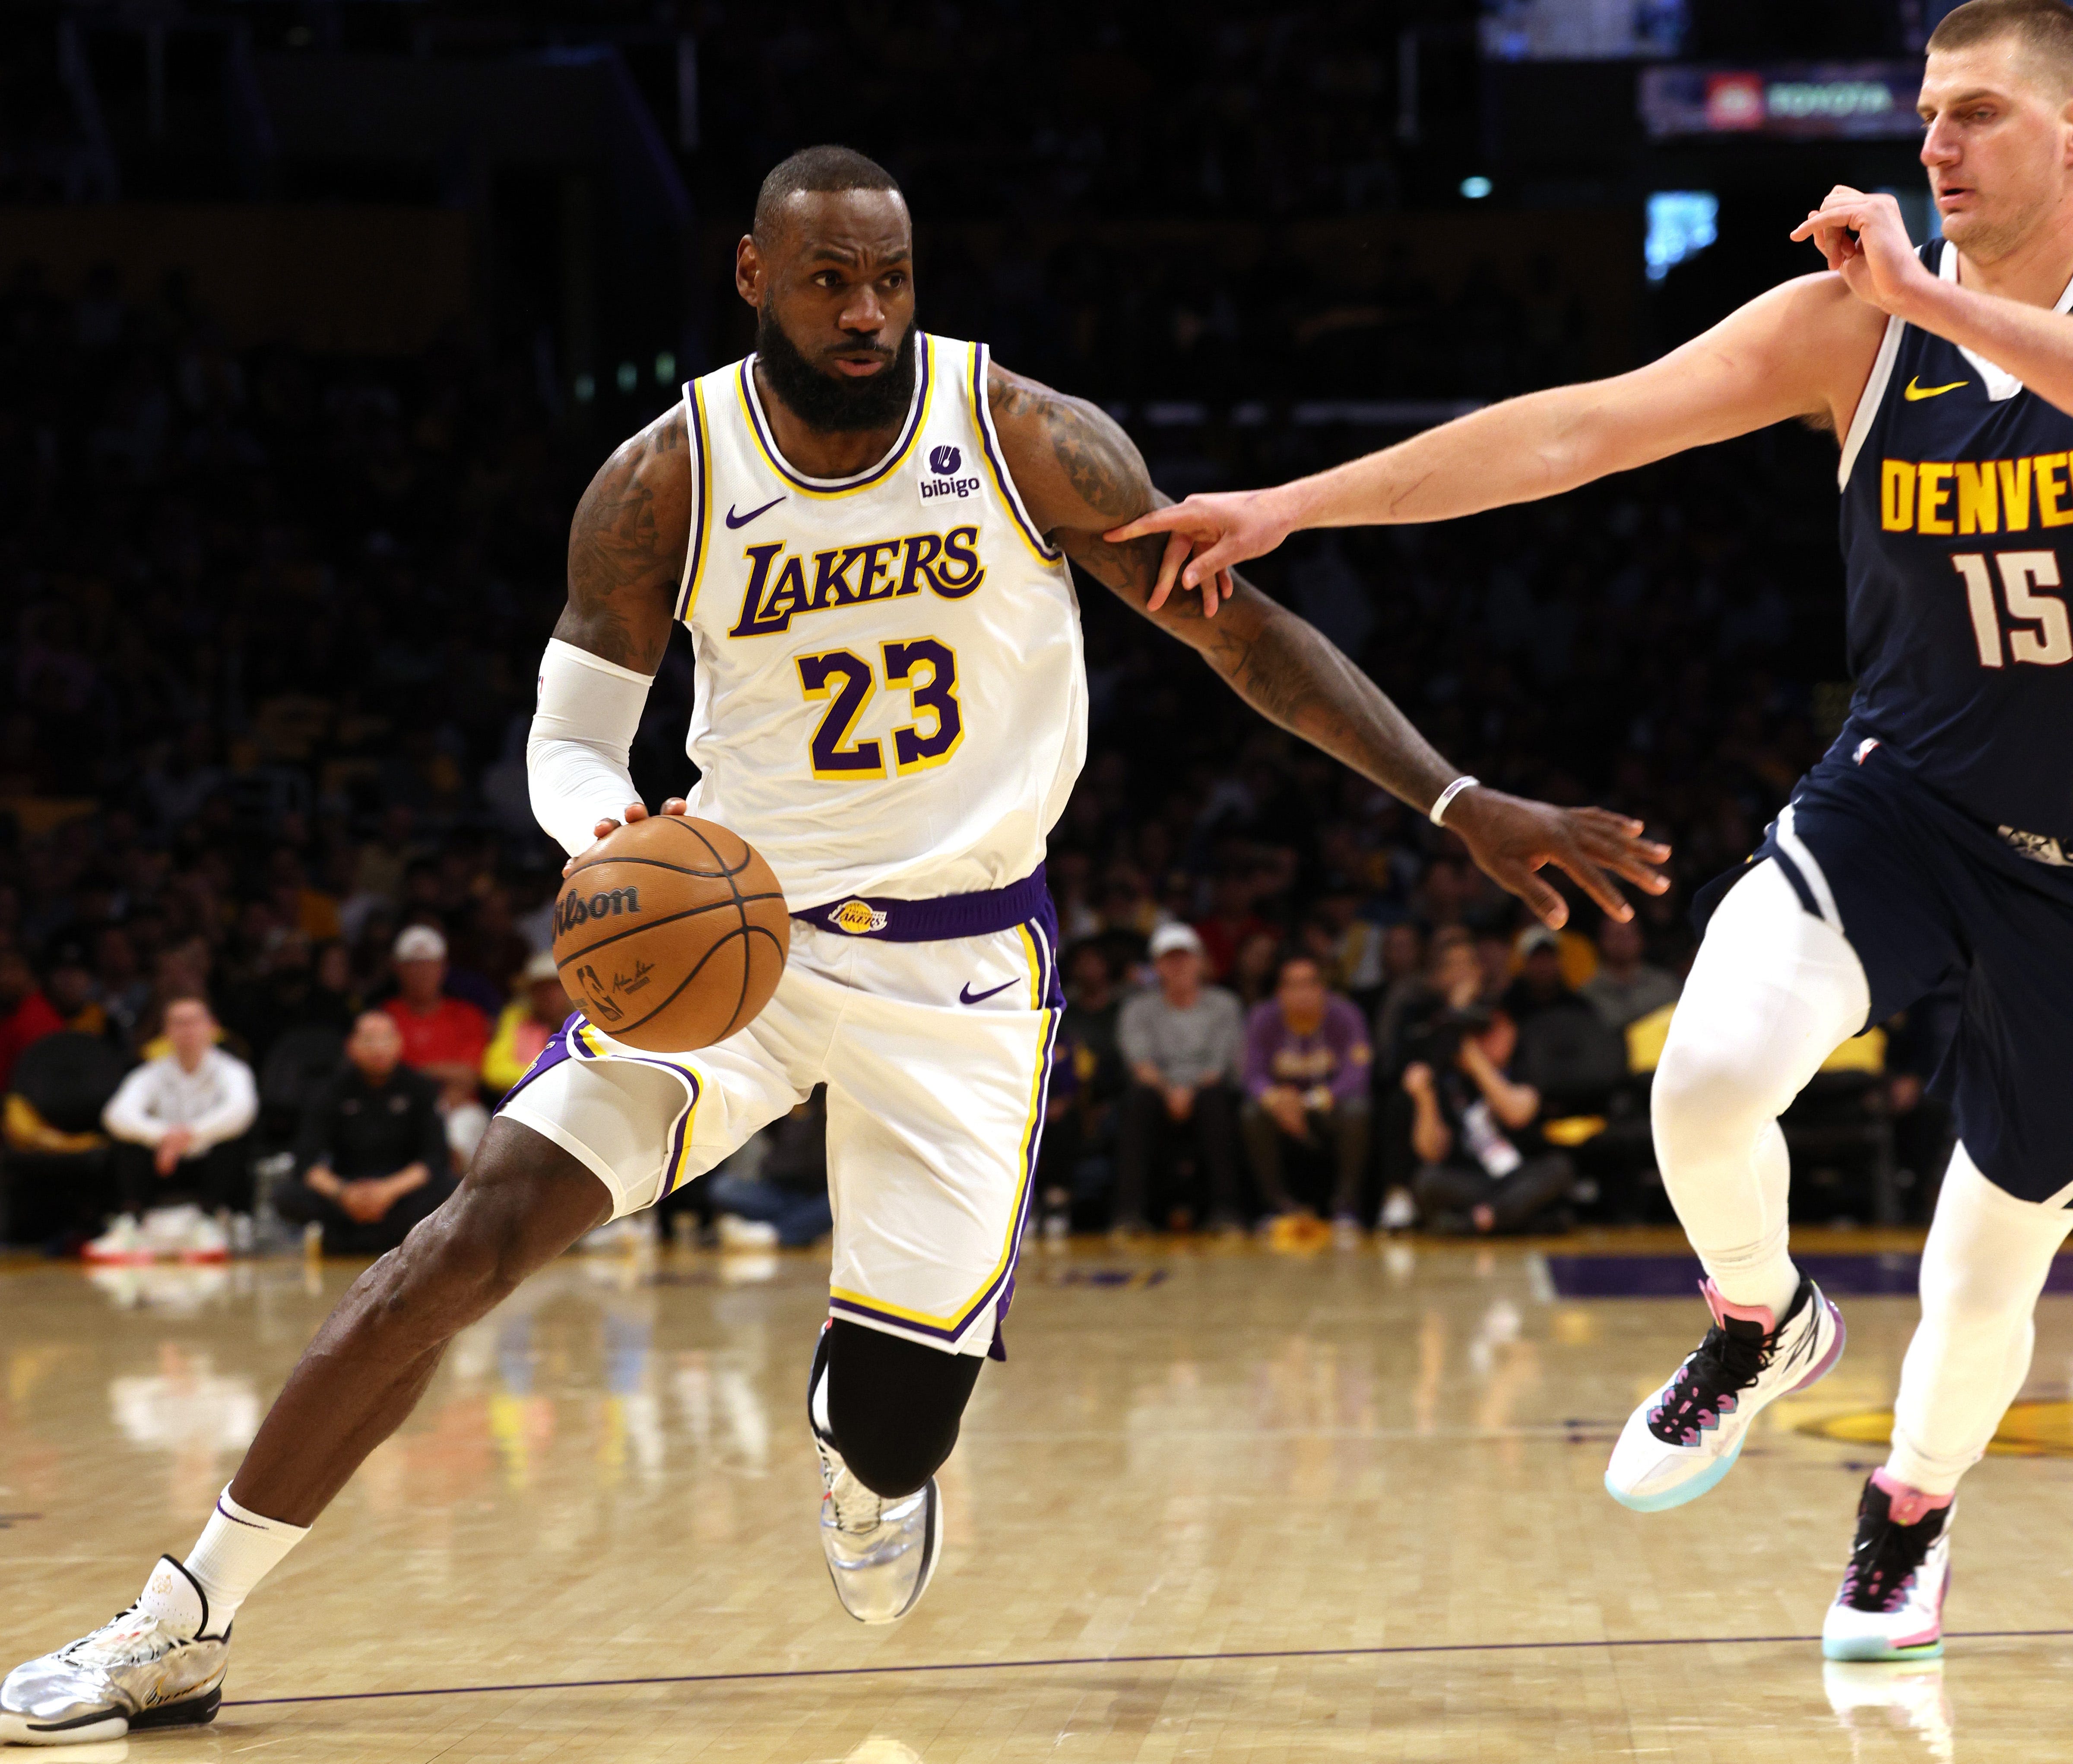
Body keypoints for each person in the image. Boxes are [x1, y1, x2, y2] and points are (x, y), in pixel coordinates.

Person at [0, 145, 1666, 1745]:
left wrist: (1455, 798)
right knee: (460, 1244)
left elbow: (1248, 645)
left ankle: (866, 1450)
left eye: (889, 279)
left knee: (889, 1426)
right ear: (753, 276)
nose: (865, 311)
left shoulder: (1022, 434)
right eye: (826, 280)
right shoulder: (667, 472)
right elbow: (570, 730)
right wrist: (606, 830)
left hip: (959, 981)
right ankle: (185, 1618)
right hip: (734, 953)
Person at [1112, 0, 2073, 1659]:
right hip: (1904, 796)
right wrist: (1294, 502)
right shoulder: (1854, 334)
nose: (1931, 147)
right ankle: (1762, 1318)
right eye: (1927, 112)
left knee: (1989, 1268)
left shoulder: (1913, 299)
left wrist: (1928, 293)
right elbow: (1581, 426)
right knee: (1701, 1077)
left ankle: (1905, 1517)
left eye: (1976, 115)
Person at [271, 1011, 455, 1257]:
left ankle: (404, 1237)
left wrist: (387, 1192)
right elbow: (306, 1160)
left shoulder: (419, 1087)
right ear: (351, 1046)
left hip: (400, 1192)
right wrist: (344, 1193)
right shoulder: (330, 1090)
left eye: (386, 1039)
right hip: (347, 1189)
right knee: (287, 1195)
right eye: (369, 1040)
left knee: (450, 1188)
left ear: (399, 1043)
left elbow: (434, 1157)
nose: (378, 1049)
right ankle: (345, 1236)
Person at [89, 997, 257, 1264]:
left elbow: (241, 1111)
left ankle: (210, 1221)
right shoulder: (149, 1074)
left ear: (212, 1027)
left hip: (209, 1165)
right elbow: (116, 1115)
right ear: (166, 1032)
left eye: (194, 1022)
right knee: (125, 1141)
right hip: (162, 1166)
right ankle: (131, 1222)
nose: (187, 1030)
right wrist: (163, 1136)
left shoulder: (233, 1071)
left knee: (236, 1138)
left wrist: (189, 1136)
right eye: (178, 1023)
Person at [1113, 922, 1247, 1233]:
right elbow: (1140, 1063)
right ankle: (1128, 1214)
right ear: (1157, 966)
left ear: (1201, 962)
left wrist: (1189, 1092)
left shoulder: (1225, 1005)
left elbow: (1222, 1063)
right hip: (1158, 1091)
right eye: (1170, 960)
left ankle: (1227, 1212)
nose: (1179, 966)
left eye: (1186, 958)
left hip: (1208, 1089)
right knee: (1138, 1099)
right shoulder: (1138, 1008)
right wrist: (1170, 1091)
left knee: (1216, 1102)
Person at [1401, 1010, 1574, 1235]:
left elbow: (1517, 1116)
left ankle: (1478, 1222)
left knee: (1559, 1168)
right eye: (1477, 1035)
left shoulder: (1524, 1068)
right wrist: (1424, 1097)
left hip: (1521, 1175)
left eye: (1490, 1032)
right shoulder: (1449, 1079)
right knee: (1427, 1181)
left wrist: (1476, 1062)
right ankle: (1518, 1220)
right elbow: (1431, 1152)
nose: (1484, 1041)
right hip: (1476, 1181)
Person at [1240, 953, 1373, 1238]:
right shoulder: (1263, 1017)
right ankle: (1278, 1206)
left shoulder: (1346, 1015)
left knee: (1357, 1110)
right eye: (1294, 985)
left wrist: (1306, 1102)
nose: (1303, 992)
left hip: (1326, 1107)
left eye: (1310, 984)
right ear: (1281, 992)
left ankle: (1346, 1208)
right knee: (1251, 1113)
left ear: (1322, 988)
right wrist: (1276, 1100)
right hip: (1281, 1112)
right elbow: (1252, 1075)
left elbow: (1357, 1075)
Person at [380, 925, 489, 1162]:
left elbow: (468, 1078)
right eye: (413, 965)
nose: (422, 973)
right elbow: (382, 1076)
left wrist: (415, 1070)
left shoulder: (467, 1015)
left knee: (456, 1139)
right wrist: (441, 1072)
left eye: (430, 964)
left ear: (443, 968)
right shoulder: (385, 1017)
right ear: (398, 969)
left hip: (460, 1108)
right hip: (396, 1109)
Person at [480, 950, 572, 1097]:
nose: (550, 996)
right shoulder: (517, 1018)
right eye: (542, 989)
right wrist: (545, 1076)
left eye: (556, 987)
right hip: (523, 1102)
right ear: (531, 992)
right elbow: (493, 1071)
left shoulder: (583, 1020)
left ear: (569, 989)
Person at [1579, 915, 1681, 1033]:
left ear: (1641, 938)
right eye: (1615, 935)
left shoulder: (1665, 985)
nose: (1622, 941)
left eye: (1628, 935)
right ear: (1601, 940)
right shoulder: (1588, 995)